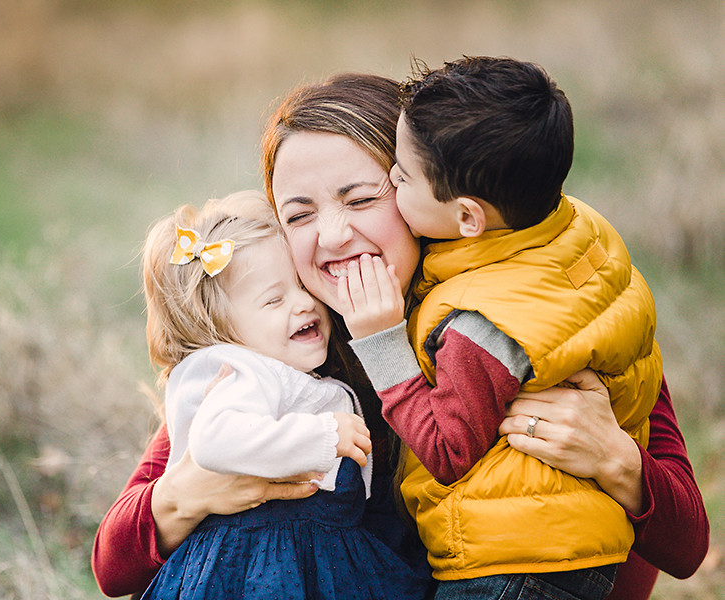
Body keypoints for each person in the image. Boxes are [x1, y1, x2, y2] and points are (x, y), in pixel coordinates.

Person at [92, 73, 709, 600]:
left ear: (428, 196)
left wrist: (616, 463)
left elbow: (686, 548)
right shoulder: (282, 344)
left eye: (362, 199)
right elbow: (112, 564)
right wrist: (186, 493)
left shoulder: (525, 313)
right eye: (298, 214)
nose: (332, 237)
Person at [335, 57, 662, 598]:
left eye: (402, 176)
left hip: (512, 561)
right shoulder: (572, 231)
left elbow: (447, 450)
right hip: (569, 543)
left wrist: (382, 340)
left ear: (468, 218)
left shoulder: (483, 323)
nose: (390, 182)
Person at [136, 190, 427, 599]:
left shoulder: (293, 376)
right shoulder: (246, 372)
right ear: (225, 333)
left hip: (315, 556)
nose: (303, 304)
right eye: (274, 299)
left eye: (301, 287)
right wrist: (323, 437)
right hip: (260, 564)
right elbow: (213, 439)